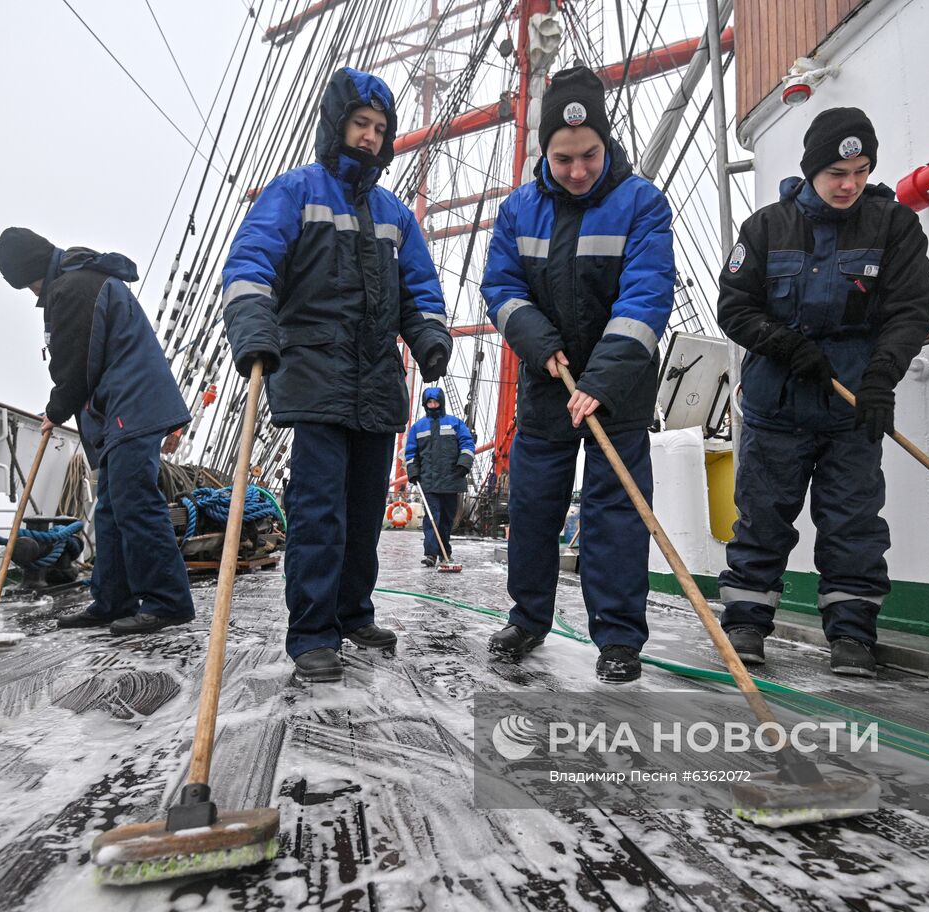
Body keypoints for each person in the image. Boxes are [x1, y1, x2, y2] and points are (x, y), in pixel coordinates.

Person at [221, 68, 451, 682]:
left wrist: (429, 335)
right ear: (337, 125)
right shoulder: (296, 193)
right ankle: (313, 630)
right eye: (361, 124)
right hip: (315, 375)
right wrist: (253, 329)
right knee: (320, 511)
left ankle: (353, 612)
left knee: (363, 508)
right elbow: (250, 265)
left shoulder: (397, 218)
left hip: (377, 384)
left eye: (380, 128)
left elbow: (420, 292)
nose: (371, 137)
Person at [715, 107, 929, 678]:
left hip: (852, 407)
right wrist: (787, 346)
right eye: (839, 172)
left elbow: (910, 311)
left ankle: (853, 633)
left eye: (862, 171)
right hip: (776, 404)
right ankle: (745, 623)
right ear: (813, 168)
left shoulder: (894, 227)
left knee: (854, 521)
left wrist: (883, 375)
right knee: (762, 517)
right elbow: (736, 308)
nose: (850, 184)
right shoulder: (766, 228)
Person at [480, 66, 674, 684]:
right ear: (544, 151)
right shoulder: (517, 210)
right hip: (547, 381)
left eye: (589, 155)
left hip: (617, 392)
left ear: (606, 142)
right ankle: (528, 617)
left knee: (615, 512)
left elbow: (646, 296)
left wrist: (602, 378)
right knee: (533, 508)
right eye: (563, 158)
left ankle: (618, 637)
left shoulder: (641, 201)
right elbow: (502, 289)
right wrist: (539, 344)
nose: (578, 170)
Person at [0, 227, 195, 635]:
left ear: (33, 270)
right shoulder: (77, 280)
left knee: (135, 503)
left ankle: (168, 601)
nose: (33, 295)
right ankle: (111, 601)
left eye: (28, 284)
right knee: (109, 510)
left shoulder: (74, 287)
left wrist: (56, 409)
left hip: (131, 405)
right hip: (117, 408)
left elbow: (77, 363)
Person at [403, 386, 476, 565]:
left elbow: (467, 444)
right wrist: (413, 472)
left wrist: (464, 465)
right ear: (425, 404)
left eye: (435, 402)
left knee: (446, 519)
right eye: (430, 402)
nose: (433, 405)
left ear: (441, 402)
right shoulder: (417, 427)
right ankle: (431, 554)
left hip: (452, 479)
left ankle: (445, 552)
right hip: (429, 482)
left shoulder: (455, 423)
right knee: (432, 518)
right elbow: (411, 453)